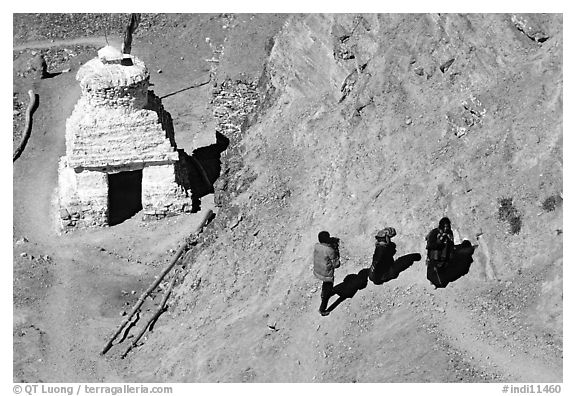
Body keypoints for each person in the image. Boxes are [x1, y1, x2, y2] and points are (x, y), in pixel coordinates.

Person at [313, 231, 341, 316]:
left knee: (325, 284)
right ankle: (322, 309)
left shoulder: (317, 246)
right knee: (328, 288)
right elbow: (336, 265)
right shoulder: (329, 250)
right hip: (327, 274)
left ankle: (323, 294)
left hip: (318, 270)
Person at [425, 217, 455, 287]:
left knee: (443, 274)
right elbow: (430, 246)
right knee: (434, 277)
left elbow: (451, 244)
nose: (446, 229)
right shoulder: (434, 233)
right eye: (444, 227)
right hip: (434, 257)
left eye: (447, 227)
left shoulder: (449, 233)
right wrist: (439, 241)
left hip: (444, 257)